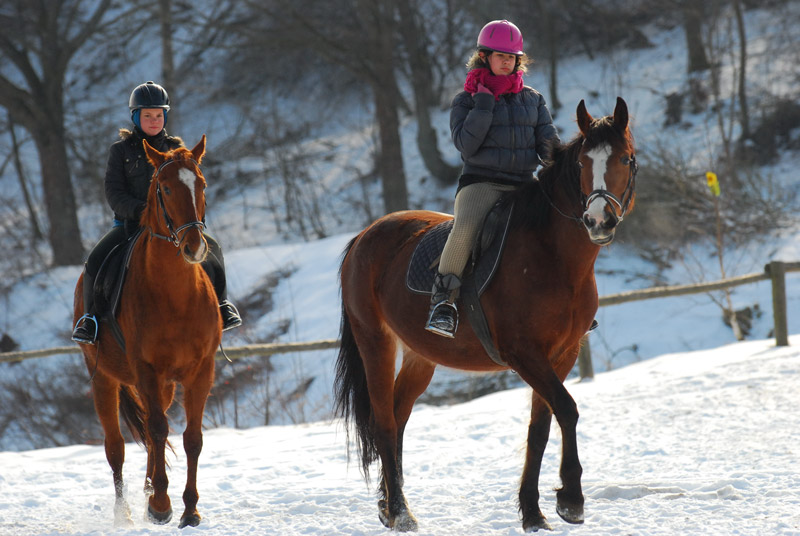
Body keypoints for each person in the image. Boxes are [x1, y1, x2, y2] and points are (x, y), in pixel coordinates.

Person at [72, 81, 242, 344]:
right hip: (130, 225)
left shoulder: (176, 149)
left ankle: (222, 307)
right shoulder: (120, 151)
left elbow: (189, 188)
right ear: (135, 117)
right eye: (147, 115)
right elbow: (113, 192)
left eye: (159, 115)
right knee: (95, 259)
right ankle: (91, 320)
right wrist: (141, 211)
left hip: (173, 227)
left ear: (165, 116)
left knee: (214, 249)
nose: (154, 120)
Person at [426, 20, 561, 338]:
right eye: (499, 55)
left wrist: (559, 163)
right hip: (481, 183)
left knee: (560, 223)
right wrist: (484, 104)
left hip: (525, 183)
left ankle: (566, 298)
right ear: (484, 56)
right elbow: (466, 145)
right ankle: (444, 303)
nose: (506, 61)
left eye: (511, 56)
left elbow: (548, 144)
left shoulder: (534, 100)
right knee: (466, 227)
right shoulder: (466, 100)